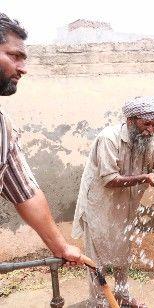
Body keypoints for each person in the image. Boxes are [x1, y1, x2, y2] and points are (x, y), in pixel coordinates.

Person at [72, 96, 154, 308]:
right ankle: (98, 301)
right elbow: (108, 179)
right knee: (98, 261)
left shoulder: (153, 144)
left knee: (122, 255)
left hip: (125, 209)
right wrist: (144, 177)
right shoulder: (108, 139)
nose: (151, 130)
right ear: (131, 120)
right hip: (99, 208)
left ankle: (122, 295)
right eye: (147, 124)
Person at [0, 13, 82, 265]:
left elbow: (25, 191)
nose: (23, 68)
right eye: (14, 56)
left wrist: (61, 246)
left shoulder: (3, 126)